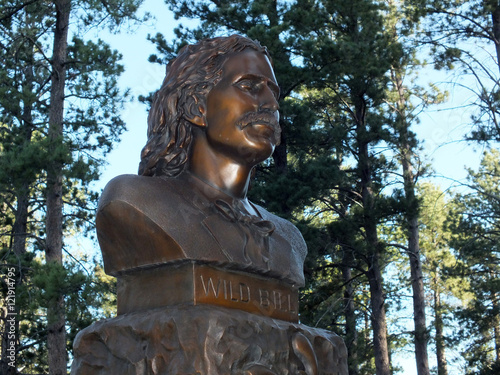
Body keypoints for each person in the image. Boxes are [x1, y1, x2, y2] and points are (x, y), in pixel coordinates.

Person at [96, 35, 307, 287]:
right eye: (249, 86)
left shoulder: (289, 239)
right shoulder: (134, 201)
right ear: (196, 106)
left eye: (274, 92)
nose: (272, 104)